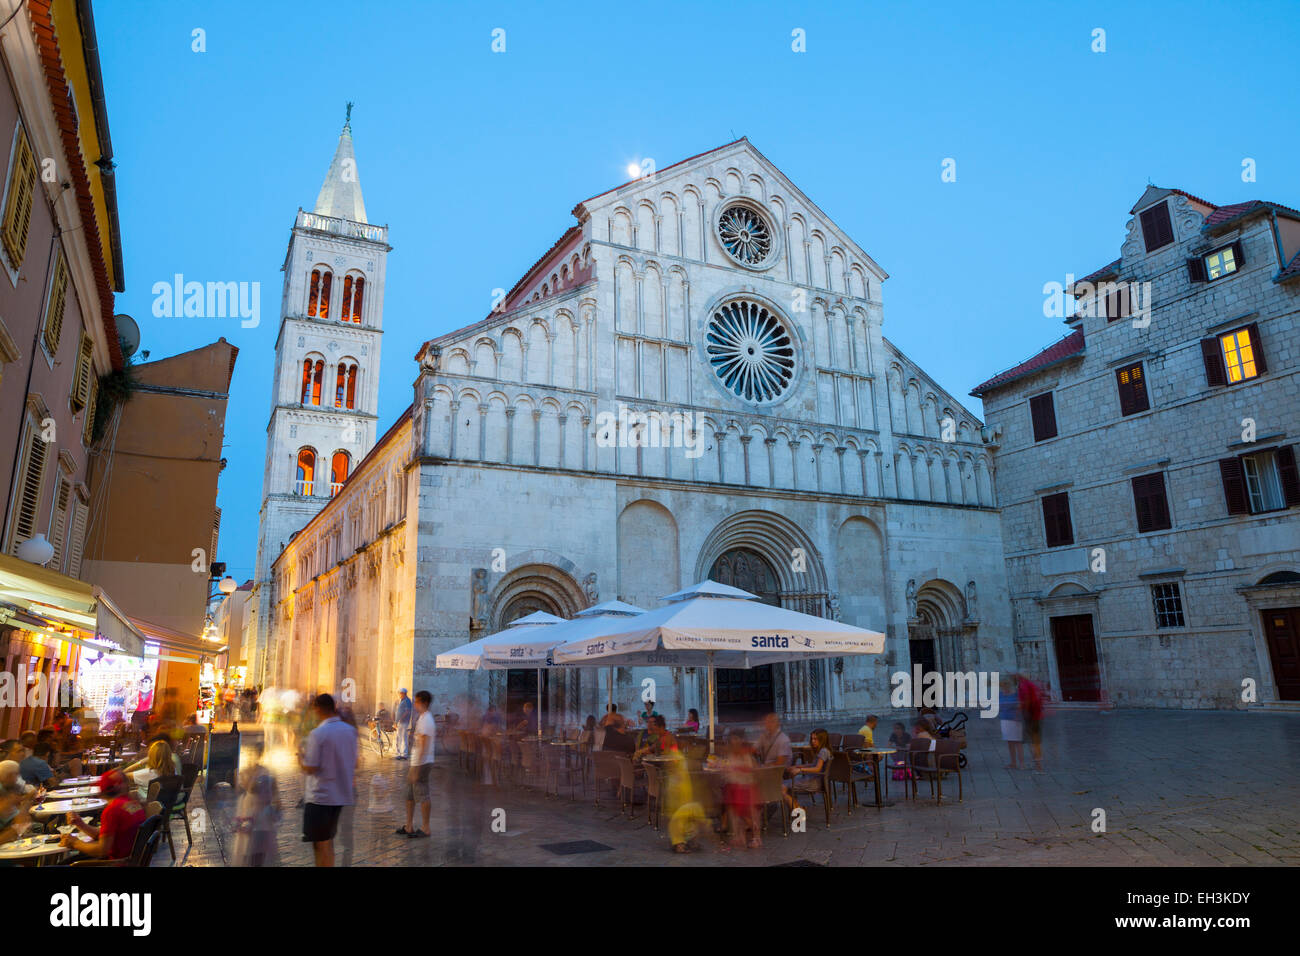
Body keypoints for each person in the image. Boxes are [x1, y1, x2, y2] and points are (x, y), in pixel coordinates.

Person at [297, 693, 358, 866]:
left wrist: (299, 759)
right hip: (340, 795)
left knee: (320, 844)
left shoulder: (318, 733)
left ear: (318, 708)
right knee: (328, 841)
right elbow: (356, 762)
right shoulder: (350, 731)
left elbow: (312, 767)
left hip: (320, 796)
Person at [60, 769, 144, 861]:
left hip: (115, 863)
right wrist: (80, 824)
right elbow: (105, 835)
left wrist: (75, 843)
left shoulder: (112, 810)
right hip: (130, 860)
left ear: (103, 792)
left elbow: (102, 850)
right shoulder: (133, 803)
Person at [232, 745, 280, 866]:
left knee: (255, 851)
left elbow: (272, 797)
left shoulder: (263, 772)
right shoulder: (248, 772)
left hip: (259, 820)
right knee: (249, 850)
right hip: (252, 817)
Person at [398, 690, 436, 838]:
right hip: (416, 761)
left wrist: (417, 767)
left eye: (417, 702)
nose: (414, 704)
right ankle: (409, 826)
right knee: (410, 795)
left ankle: (426, 828)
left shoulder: (427, 719)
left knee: (423, 795)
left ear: (424, 703)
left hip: (422, 762)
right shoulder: (422, 717)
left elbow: (425, 744)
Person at [720, 730, 760, 850]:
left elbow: (750, 769)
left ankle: (756, 838)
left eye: (736, 739)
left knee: (749, 815)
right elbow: (729, 769)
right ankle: (740, 836)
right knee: (736, 814)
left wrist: (734, 767)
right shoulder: (731, 754)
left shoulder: (745, 754)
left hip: (746, 787)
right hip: (734, 786)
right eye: (732, 740)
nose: (734, 742)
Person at [785, 728, 831, 815]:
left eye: (815, 739)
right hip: (812, 780)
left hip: (813, 783)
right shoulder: (822, 750)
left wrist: (800, 770)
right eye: (812, 738)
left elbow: (817, 768)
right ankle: (799, 808)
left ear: (822, 740)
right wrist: (797, 766)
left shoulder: (823, 751)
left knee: (782, 787)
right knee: (784, 787)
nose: (813, 741)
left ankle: (798, 811)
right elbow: (812, 765)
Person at [1016, 673, 1045, 772]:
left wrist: (1024, 710)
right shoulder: (1031, 684)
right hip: (1037, 714)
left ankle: (1038, 765)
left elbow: (1027, 698)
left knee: (1033, 740)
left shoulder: (1023, 685)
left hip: (1031, 715)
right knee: (1035, 740)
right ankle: (1038, 764)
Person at [394, 688, 413, 760]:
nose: (399, 694)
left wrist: (400, 719)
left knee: (402, 738)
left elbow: (407, 711)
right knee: (400, 738)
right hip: (400, 722)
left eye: (400, 693)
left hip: (403, 722)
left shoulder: (407, 700)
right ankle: (400, 753)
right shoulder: (402, 700)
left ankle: (403, 754)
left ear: (403, 693)